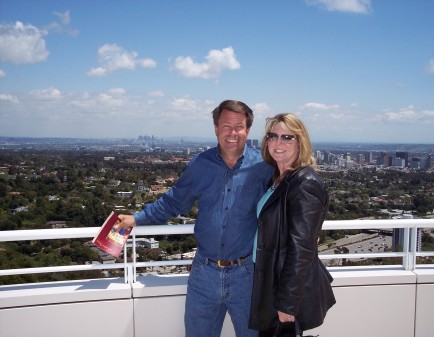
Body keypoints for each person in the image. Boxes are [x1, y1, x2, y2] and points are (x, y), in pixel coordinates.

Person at [115, 100, 274, 337]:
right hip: (204, 274)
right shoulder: (201, 164)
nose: (232, 133)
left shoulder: (263, 166)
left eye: (239, 126)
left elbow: (285, 201)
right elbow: (173, 201)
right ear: (215, 128)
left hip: (247, 276)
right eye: (226, 126)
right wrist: (136, 219)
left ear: (248, 131)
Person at [249, 113, 336, 336]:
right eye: (273, 136)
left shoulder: (304, 183)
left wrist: (287, 305)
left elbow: (302, 249)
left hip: (284, 291)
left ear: (300, 142)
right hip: (271, 281)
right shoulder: (278, 180)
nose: (278, 143)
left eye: (287, 137)